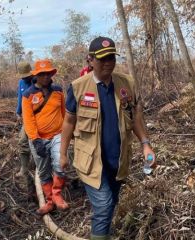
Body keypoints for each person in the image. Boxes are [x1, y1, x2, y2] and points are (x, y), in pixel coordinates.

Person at [60, 36, 156, 240]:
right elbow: (69, 122)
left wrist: (146, 144)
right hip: (91, 163)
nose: (108, 63)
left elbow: (135, 117)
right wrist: (62, 154)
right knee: (103, 206)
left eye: (111, 57)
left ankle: (101, 232)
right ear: (90, 60)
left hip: (118, 160)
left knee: (110, 202)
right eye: (102, 59)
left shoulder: (126, 83)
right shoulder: (78, 87)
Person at [22, 59, 69, 215]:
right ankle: (49, 201)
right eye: (42, 74)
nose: (46, 77)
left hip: (57, 135)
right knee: (43, 171)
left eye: (48, 73)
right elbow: (28, 120)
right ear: (36, 75)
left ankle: (56, 194)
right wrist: (35, 140)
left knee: (60, 164)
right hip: (38, 138)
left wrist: (68, 133)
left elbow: (64, 113)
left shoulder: (58, 91)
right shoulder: (28, 95)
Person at [16, 61, 34, 177]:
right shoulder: (21, 83)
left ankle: (39, 167)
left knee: (38, 142)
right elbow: (20, 99)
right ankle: (24, 168)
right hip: (26, 118)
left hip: (38, 117)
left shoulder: (37, 81)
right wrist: (18, 113)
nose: (25, 78)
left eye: (27, 76)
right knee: (22, 141)